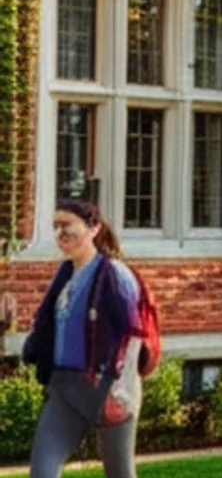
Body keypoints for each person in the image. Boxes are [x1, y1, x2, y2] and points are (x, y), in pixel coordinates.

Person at [21, 200, 145, 478]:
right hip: (66, 389)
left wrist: (120, 394)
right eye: (56, 226)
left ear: (93, 228)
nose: (60, 232)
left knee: (120, 474)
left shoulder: (116, 275)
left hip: (107, 389)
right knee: (42, 472)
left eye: (67, 225)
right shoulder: (64, 276)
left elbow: (132, 337)